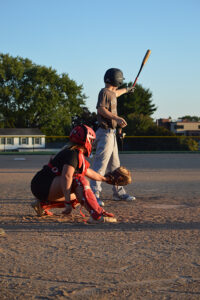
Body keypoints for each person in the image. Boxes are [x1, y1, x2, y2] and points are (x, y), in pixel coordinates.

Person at [31, 124, 117, 224]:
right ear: (86, 140)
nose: (92, 144)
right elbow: (67, 176)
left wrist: (105, 179)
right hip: (44, 185)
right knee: (79, 181)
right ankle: (96, 215)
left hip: (41, 185)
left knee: (80, 195)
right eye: (91, 140)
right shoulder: (73, 154)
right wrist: (67, 202)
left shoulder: (73, 152)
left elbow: (89, 172)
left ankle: (41, 204)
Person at [90, 68, 136, 206]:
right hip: (105, 133)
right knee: (100, 165)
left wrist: (128, 90)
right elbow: (100, 109)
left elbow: (116, 93)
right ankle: (94, 195)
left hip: (111, 133)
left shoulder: (110, 92)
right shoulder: (104, 92)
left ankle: (119, 193)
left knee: (115, 166)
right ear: (118, 79)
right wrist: (117, 117)